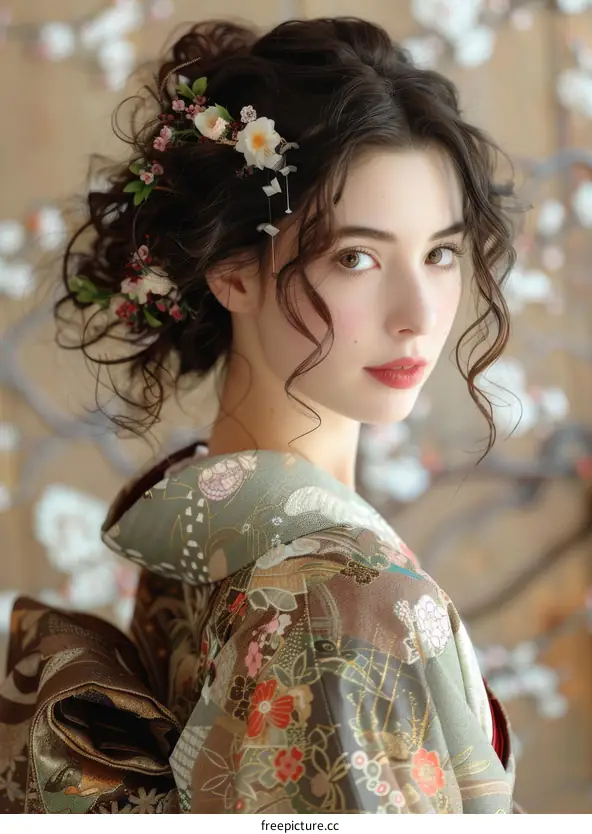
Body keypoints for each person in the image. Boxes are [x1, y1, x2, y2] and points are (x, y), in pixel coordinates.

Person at [0, 16, 522, 814]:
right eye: (356, 257)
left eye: (440, 253)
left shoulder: (199, 509)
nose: (420, 313)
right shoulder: (342, 602)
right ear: (233, 272)